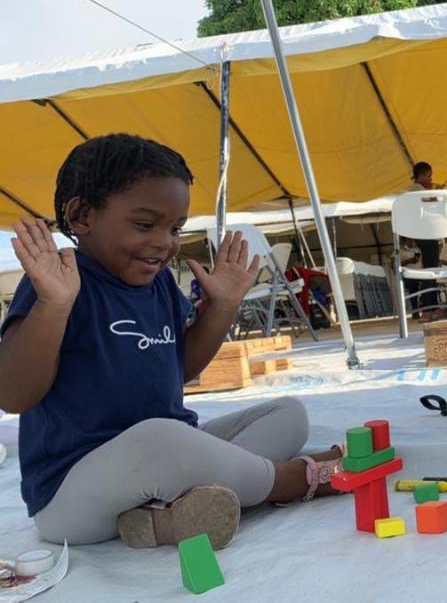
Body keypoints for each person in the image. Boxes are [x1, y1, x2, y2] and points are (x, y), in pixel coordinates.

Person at [0, 134, 344, 550]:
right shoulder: (56, 283)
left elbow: (180, 369)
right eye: (145, 225)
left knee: (288, 413)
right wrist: (54, 306)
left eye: (175, 228)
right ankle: (287, 480)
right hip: (72, 496)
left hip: (160, 469)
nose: (164, 242)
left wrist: (222, 305)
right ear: (82, 216)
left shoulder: (160, 284)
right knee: (161, 440)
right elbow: (14, 395)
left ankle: (165, 518)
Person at [406, 161, 443, 320]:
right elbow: (432, 207)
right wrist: (434, 193)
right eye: (428, 176)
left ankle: (432, 306)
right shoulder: (419, 191)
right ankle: (429, 308)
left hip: (422, 235)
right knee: (430, 272)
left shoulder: (412, 190)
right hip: (427, 235)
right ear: (421, 175)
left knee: (430, 271)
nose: (430, 179)